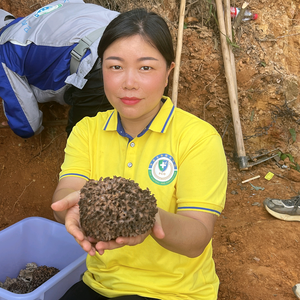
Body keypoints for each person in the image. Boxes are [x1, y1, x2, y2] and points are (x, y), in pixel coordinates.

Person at [51, 8, 228, 300]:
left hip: (175, 293)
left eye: (145, 68)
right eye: (115, 66)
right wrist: (71, 206)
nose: (128, 82)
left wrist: (146, 217)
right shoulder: (87, 131)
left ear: (169, 72)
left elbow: (196, 237)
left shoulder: (198, 138)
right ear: (101, 69)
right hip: (99, 283)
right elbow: (67, 190)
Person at [0, 0, 119, 138]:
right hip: (133, 35)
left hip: (98, 65)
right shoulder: (46, 12)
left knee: (80, 146)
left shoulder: (5, 51)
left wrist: (18, 125)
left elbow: (28, 125)